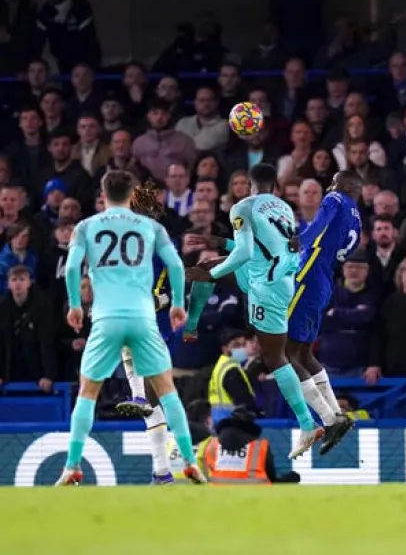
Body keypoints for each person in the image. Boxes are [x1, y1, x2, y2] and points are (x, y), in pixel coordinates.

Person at [55, 170, 207, 485]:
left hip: (106, 317)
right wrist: (178, 303)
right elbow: (178, 265)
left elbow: (71, 267)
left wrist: (73, 305)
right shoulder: (152, 227)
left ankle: (72, 466)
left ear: (103, 192)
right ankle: (190, 463)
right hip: (143, 317)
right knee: (168, 393)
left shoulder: (85, 227)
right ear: (132, 193)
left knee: (87, 393)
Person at [184, 163, 323, 459]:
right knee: (208, 264)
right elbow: (262, 248)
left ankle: (308, 424)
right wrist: (220, 245)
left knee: (275, 357)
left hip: (267, 286)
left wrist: (213, 275)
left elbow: (245, 251)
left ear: (248, 184)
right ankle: (191, 324)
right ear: (274, 185)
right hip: (280, 277)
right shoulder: (284, 208)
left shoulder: (242, 207)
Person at [285, 170, 363, 454]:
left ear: (343, 185)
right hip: (326, 280)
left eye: (333, 181)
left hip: (309, 273)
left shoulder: (335, 198)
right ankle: (336, 416)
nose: (329, 186)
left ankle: (328, 419)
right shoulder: (357, 216)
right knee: (305, 353)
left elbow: (318, 224)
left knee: (285, 353)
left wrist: (300, 240)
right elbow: (348, 250)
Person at [112, 181, 181, 484]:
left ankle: (138, 396)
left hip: (152, 320)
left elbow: (173, 275)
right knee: (157, 403)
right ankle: (162, 472)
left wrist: (164, 299)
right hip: (147, 317)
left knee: (154, 395)